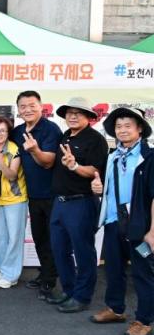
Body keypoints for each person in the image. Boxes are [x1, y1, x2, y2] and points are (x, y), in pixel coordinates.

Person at [90, 107, 154, 335]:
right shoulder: (113, 156)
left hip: (140, 225)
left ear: (140, 129)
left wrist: (152, 231)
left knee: (142, 273)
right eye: (118, 126)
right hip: (113, 222)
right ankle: (116, 309)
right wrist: (98, 189)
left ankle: (144, 320)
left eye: (128, 126)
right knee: (113, 269)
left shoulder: (149, 157)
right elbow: (109, 190)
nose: (122, 130)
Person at [47, 97, 108, 313]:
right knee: (59, 249)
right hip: (60, 203)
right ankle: (69, 290)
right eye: (69, 112)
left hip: (81, 202)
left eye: (78, 113)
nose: (73, 116)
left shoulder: (95, 139)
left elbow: (95, 170)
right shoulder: (65, 136)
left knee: (83, 252)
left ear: (89, 117)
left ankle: (82, 297)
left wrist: (74, 166)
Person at [11, 90, 62, 300]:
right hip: (32, 194)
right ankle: (45, 273)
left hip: (52, 194)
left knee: (52, 239)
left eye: (32, 105)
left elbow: (48, 162)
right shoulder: (17, 131)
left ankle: (50, 280)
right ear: (18, 110)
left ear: (41, 107)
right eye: (23, 106)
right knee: (39, 237)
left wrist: (34, 150)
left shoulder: (50, 129)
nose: (28, 110)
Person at [0, 116, 28, 289]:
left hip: (15, 199)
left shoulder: (14, 149)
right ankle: (3, 270)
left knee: (14, 238)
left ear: (8, 133)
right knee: (0, 237)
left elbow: (12, 175)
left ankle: (12, 275)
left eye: (3, 131)